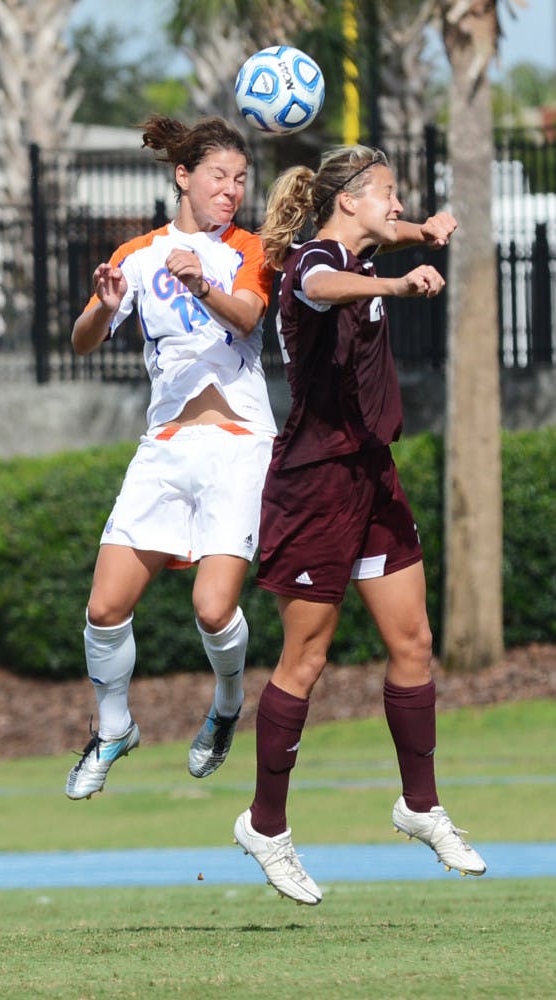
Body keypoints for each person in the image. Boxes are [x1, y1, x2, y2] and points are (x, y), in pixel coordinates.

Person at [233, 145, 487, 904]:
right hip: (315, 484)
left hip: (373, 476)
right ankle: (266, 825)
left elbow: (398, 237)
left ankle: (419, 804)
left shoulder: (375, 242)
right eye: (387, 193)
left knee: (413, 643)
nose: (397, 202)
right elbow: (319, 282)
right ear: (348, 200)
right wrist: (396, 283)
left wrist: (428, 231)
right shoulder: (317, 260)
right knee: (305, 660)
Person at [65, 114, 277, 800]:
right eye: (219, 176)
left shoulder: (252, 246)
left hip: (239, 443)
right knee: (103, 608)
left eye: (241, 179)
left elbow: (246, 318)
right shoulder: (138, 253)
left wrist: (200, 285)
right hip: (164, 447)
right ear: (183, 176)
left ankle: (224, 705)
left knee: (213, 609)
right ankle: (114, 727)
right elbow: (82, 342)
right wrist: (102, 307)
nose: (232, 190)